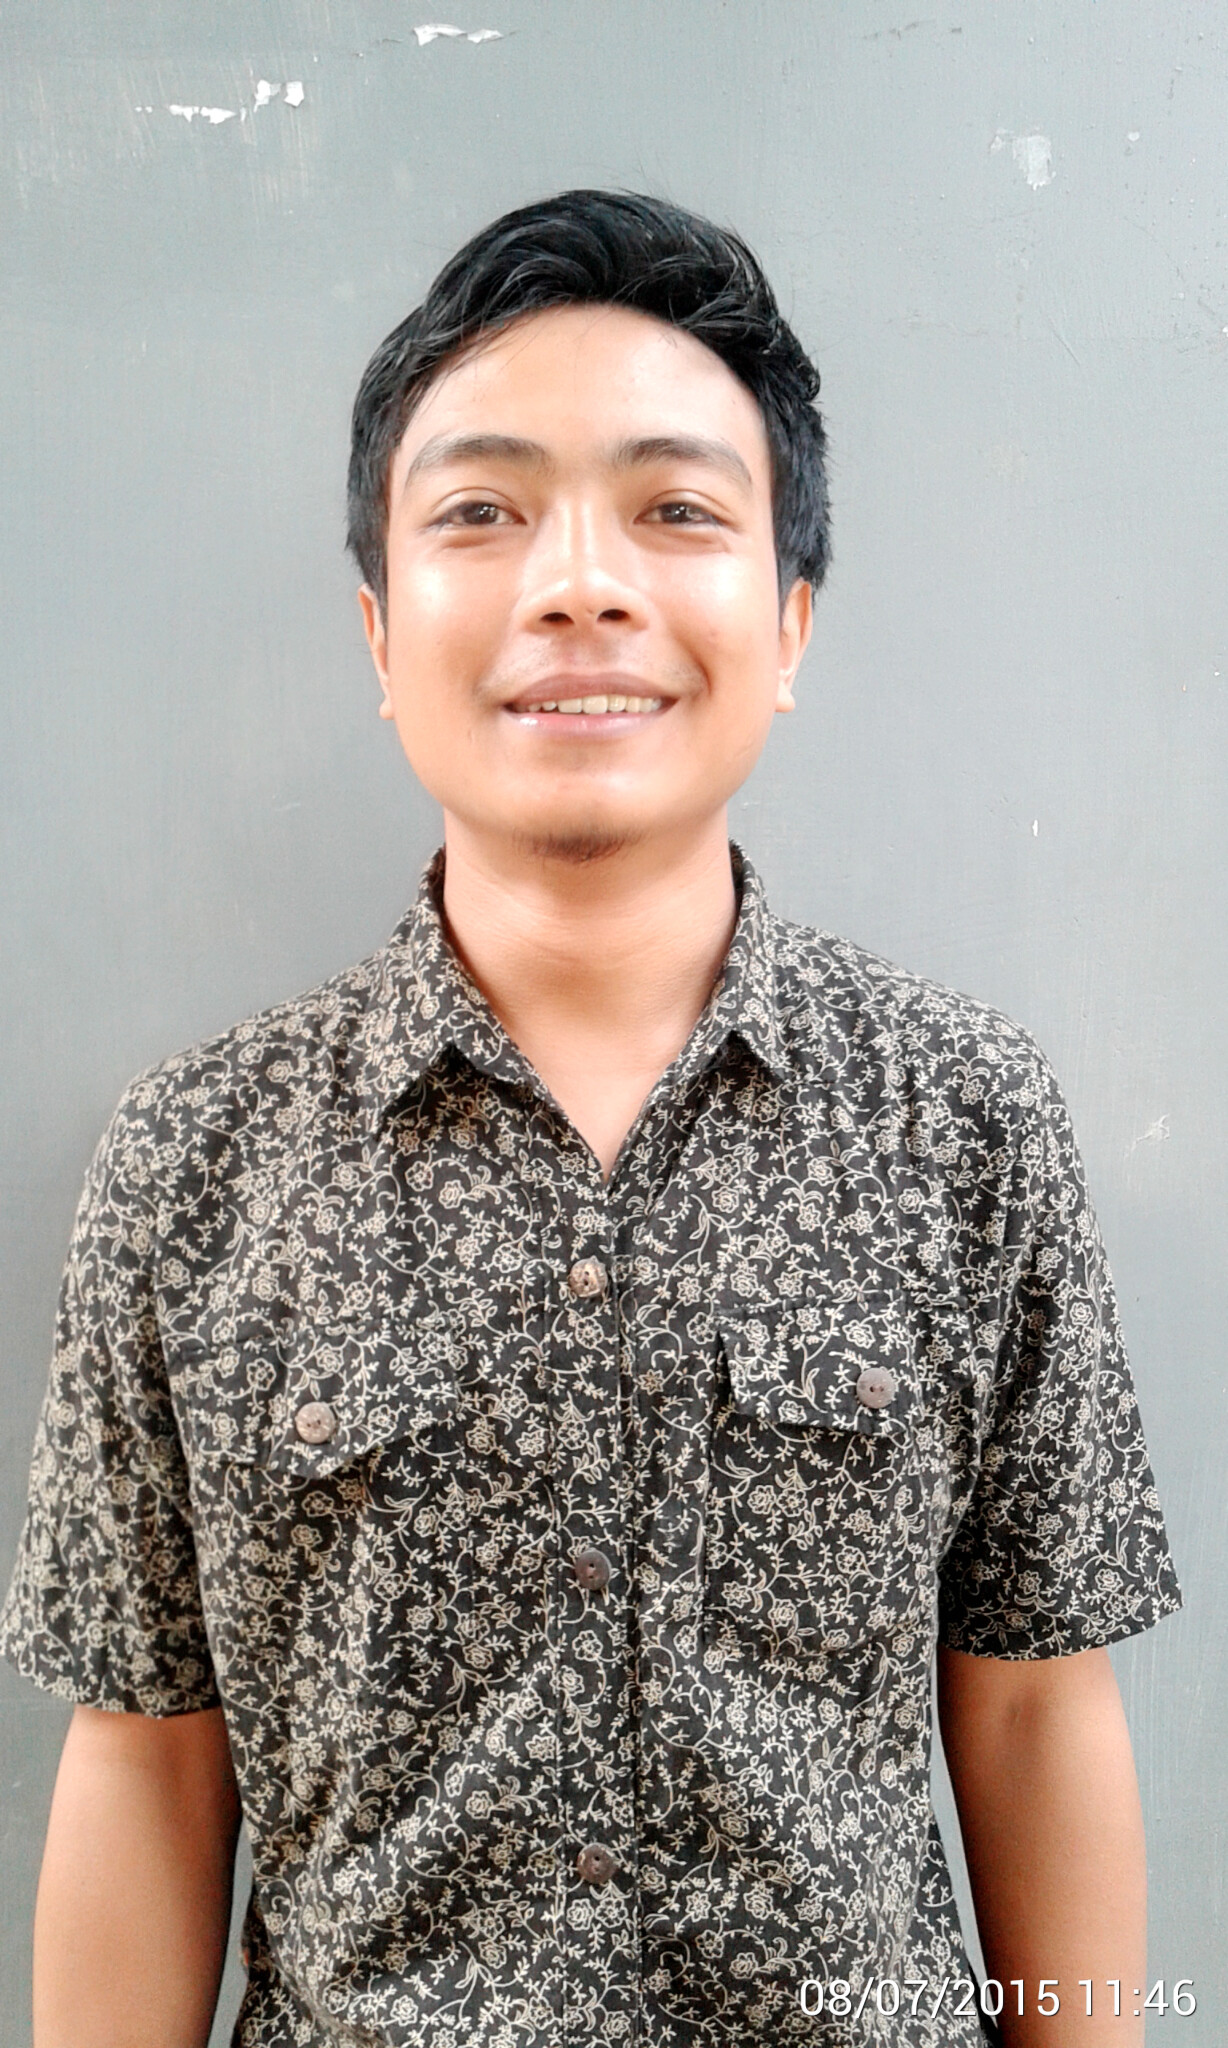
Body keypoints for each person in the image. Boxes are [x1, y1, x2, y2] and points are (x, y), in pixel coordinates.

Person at [1, 190, 1181, 2048]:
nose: (578, 583)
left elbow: (1035, 1703)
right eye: (480, 511)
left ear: (789, 623)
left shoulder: (965, 1121)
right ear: (378, 631)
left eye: (677, 510)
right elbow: (148, 1758)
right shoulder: (195, 1165)